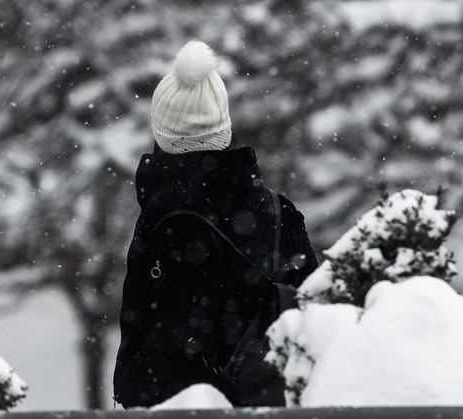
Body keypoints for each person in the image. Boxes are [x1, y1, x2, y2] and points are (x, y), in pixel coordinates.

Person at [113, 40, 318, 408]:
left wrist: (133, 386)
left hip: (187, 406)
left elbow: (173, 332)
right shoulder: (277, 209)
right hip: (269, 404)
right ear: (224, 126)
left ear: (162, 130)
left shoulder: (168, 214)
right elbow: (313, 312)